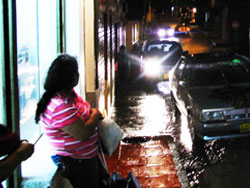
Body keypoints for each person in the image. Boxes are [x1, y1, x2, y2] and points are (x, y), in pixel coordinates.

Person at [35, 54, 106, 188]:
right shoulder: (60, 105)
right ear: (73, 77)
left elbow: (81, 113)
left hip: (84, 157)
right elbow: (83, 133)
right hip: (75, 161)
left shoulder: (69, 95)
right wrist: (95, 115)